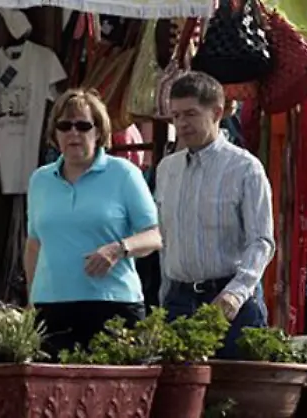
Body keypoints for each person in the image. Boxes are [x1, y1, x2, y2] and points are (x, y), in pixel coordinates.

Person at [23, 89, 162, 358]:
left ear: (98, 132)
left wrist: (117, 249)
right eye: (64, 126)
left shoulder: (124, 174)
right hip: (51, 307)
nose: (73, 133)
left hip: (112, 306)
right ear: (55, 134)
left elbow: (154, 236)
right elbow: (34, 245)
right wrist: (31, 300)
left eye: (83, 125)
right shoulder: (40, 180)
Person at [155, 72, 275, 359]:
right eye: (176, 116)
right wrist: (165, 296)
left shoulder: (245, 168)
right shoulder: (166, 169)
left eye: (191, 114)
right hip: (178, 301)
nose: (182, 124)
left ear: (217, 112)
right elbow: (166, 238)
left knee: (237, 396)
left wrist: (236, 293)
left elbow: (261, 241)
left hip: (230, 298)